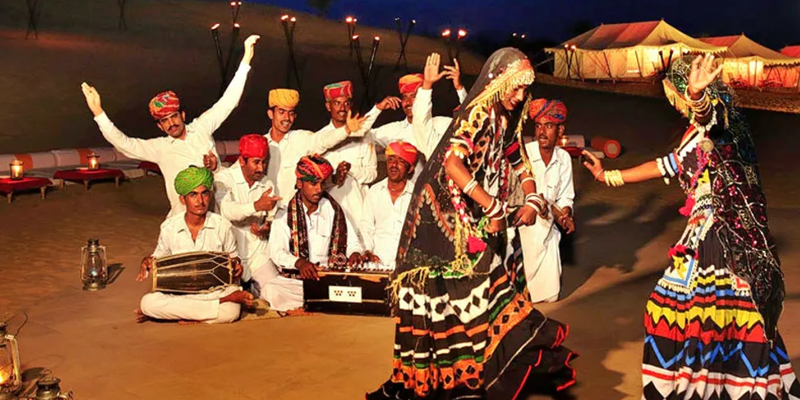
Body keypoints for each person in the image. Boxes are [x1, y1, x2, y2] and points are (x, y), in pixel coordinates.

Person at [581, 54, 799, 399]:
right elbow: (665, 165)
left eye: (677, 94)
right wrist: (607, 176)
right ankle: (720, 382)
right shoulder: (692, 135)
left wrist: (698, 98)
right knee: (707, 311)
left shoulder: (720, 125)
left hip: (718, 232)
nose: (678, 103)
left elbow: (710, 119)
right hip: (703, 230)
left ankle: (714, 386)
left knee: (689, 309)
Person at [368, 48, 576, 400]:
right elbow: (452, 164)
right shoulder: (480, 112)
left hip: (468, 210)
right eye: (515, 89)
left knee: (476, 289)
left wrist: (531, 196)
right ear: (499, 82)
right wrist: (494, 206)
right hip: (438, 213)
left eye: (524, 90)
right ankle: (448, 377)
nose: (519, 96)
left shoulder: (507, 117)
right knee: (457, 289)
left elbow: (517, 158)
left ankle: (472, 372)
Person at [80, 35, 260, 217]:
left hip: (219, 216)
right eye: (165, 120)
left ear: (182, 115)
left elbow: (228, 102)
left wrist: (246, 60)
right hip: (181, 221)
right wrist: (98, 112)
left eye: (174, 117)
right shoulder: (161, 148)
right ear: (160, 126)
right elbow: (124, 143)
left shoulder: (201, 128)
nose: (171, 123)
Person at [135, 166, 254, 324]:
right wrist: (147, 261)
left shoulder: (222, 225)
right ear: (182, 199)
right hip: (180, 293)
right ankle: (212, 308)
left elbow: (233, 258)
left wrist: (237, 265)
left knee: (231, 312)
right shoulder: (169, 227)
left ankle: (183, 313)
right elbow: (157, 259)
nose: (200, 201)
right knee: (148, 303)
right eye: (193, 195)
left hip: (215, 291)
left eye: (204, 194)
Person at [213, 134, 304, 311]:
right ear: (241, 160)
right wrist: (256, 205)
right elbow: (227, 210)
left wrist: (266, 229)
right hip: (230, 256)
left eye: (264, 162)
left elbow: (270, 219)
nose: (261, 168)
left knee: (277, 290)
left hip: (257, 253)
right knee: (228, 304)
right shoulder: (223, 179)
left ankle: (256, 289)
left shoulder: (266, 183)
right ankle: (250, 289)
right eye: (256, 162)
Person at [268, 155, 365, 287]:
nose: (319, 189)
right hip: (296, 281)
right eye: (313, 184)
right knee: (272, 289)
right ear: (299, 183)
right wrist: (300, 263)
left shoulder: (333, 210)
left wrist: (355, 253)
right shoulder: (284, 214)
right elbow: (277, 252)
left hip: (329, 278)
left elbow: (353, 242)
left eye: (322, 183)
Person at [315, 80, 397, 226]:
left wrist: (350, 168)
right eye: (337, 103)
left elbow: (372, 174)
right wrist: (334, 177)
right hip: (328, 214)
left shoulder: (365, 136)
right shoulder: (320, 138)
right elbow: (315, 182)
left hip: (359, 214)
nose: (342, 108)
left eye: (346, 103)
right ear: (328, 106)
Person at [517, 99, 575, 303]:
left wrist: (565, 213)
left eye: (549, 126)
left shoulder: (564, 159)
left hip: (548, 230)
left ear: (560, 131)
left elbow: (566, 195)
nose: (542, 132)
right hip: (523, 231)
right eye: (539, 125)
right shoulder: (523, 153)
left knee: (550, 295)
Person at [264, 88, 367, 201]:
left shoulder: (301, 138)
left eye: (291, 113)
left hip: (295, 213)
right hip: (268, 214)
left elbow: (323, 140)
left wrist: (346, 130)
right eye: (281, 112)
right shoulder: (261, 144)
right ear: (270, 114)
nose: (287, 118)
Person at [359, 141, 418, 269]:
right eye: (391, 159)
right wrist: (367, 251)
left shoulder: (417, 195)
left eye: (401, 161)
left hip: (407, 266)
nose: (394, 165)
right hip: (376, 264)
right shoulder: (374, 191)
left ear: (410, 168)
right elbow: (366, 226)